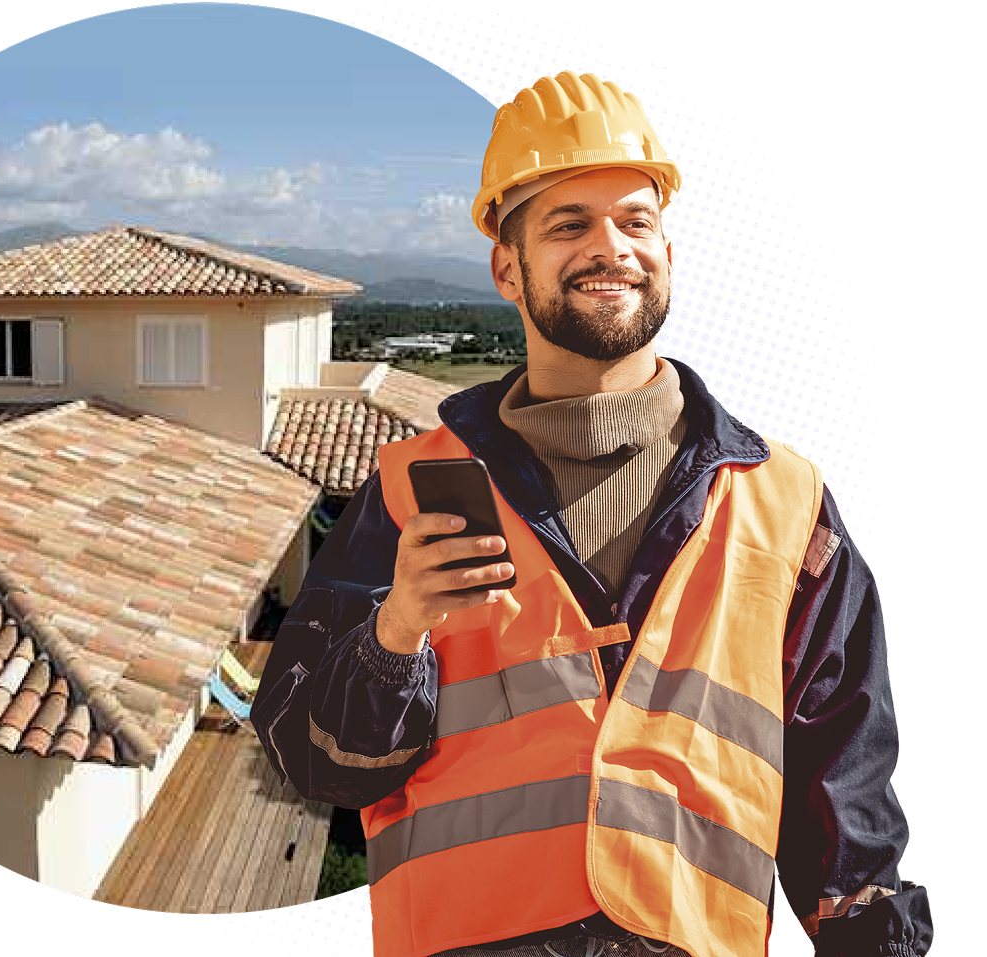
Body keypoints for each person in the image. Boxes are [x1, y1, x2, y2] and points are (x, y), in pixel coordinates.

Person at [252, 72, 932, 957]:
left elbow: (847, 800)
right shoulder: (410, 488)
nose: (610, 246)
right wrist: (394, 635)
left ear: (666, 248)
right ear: (508, 266)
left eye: (635, 220)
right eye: (569, 223)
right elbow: (312, 763)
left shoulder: (785, 502)